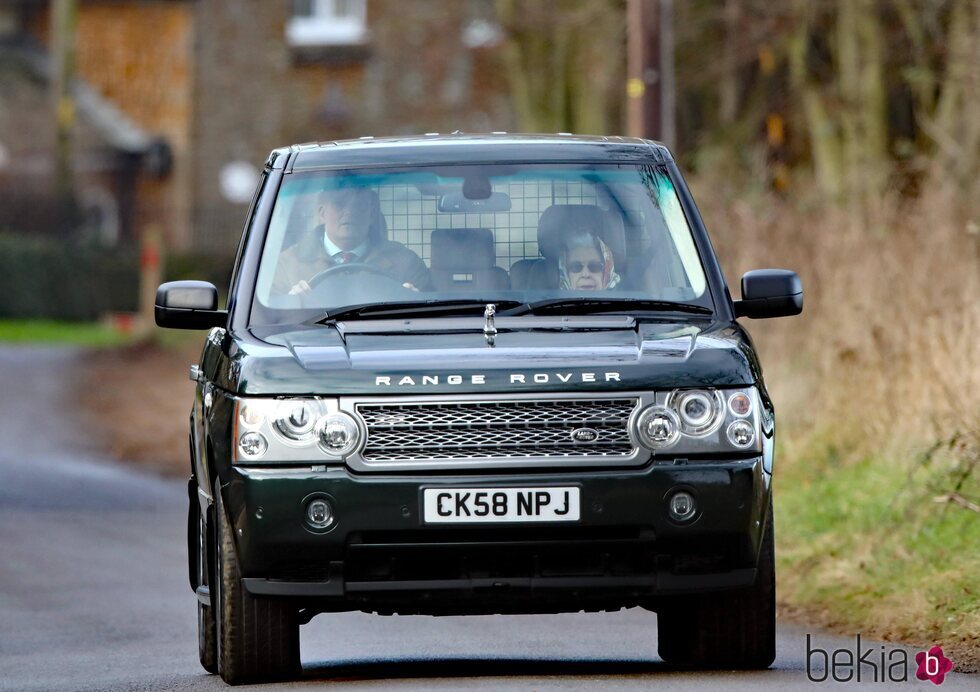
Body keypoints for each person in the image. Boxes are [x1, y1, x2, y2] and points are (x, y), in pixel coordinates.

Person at [272, 187, 430, 295]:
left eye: (359, 205)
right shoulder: (287, 264)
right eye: (340, 204)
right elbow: (269, 322)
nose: (350, 211)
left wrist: (415, 299)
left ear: (372, 215)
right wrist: (289, 303)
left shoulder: (406, 263)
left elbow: (431, 318)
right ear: (322, 213)